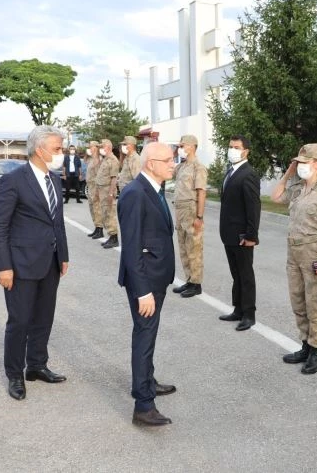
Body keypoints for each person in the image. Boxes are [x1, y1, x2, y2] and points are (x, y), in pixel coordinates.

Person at [0, 125, 70, 401]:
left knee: (43, 317)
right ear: (40, 150)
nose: (62, 154)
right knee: (20, 320)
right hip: (21, 263)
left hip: (50, 261)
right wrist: (3, 266)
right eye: (57, 149)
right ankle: (15, 374)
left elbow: (56, 221)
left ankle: (36, 365)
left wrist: (64, 255)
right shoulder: (14, 181)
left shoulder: (54, 180)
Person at [117, 142, 178, 426]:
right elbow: (131, 247)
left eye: (173, 159)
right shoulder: (135, 194)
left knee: (149, 336)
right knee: (144, 337)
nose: (172, 164)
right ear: (150, 163)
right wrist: (143, 291)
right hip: (146, 282)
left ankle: (147, 381)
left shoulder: (154, 189)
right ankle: (143, 404)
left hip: (156, 276)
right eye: (167, 160)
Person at [271, 144, 317, 374]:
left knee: (316, 305)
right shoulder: (297, 188)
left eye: (304, 162)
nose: (300, 166)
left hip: (314, 255)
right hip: (294, 254)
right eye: (298, 162)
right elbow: (276, 195)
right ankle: (305, 345)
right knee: (298, 302)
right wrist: (289, 173)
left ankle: (316, 352)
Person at [218, 135, 261, 331]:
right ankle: (238, 309)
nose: (232, 150)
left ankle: (249, 314)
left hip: (243, 235)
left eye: (236, 147)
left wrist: (251, 236)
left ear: (246, 151)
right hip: (229, 233)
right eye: (230, 146)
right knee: (236, 274)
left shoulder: (248, 174)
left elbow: (253, 208)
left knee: (245, 274)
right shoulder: (231, 171)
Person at [171, 134, 207, 298]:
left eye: (182, 145)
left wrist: (199, 216)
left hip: (191, 209)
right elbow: (168, 171)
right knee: (184, 247)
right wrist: (172, 155)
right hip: (180, 209)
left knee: (194, 247)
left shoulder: (198, 167)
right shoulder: (181, 166)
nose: (180, 148)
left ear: (192, 146)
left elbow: (201, 192)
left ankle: (196, 283)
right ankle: (189, 280)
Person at [95, 138, 120, 249]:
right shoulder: (105, 159)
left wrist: (110, 194)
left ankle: (114, 238)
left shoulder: (113, 160)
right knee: (105, 214)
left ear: (108, 147)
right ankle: (111, 236)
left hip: (107, 191)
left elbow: (114, 178)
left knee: (110, 214)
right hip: (102, 190)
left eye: (102, 146)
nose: (100, 149)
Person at [85, 141, 103, 238]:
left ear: (96, 148)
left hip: (95, 186)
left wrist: (97, 190)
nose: (89, 149)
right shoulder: (92, 159)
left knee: (97, 208)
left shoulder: (98, 160)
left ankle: (100, 229)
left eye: (90, 147)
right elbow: (85, 160)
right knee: (92, 208)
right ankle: (96, 228)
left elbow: (98, 176)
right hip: (90, 186)